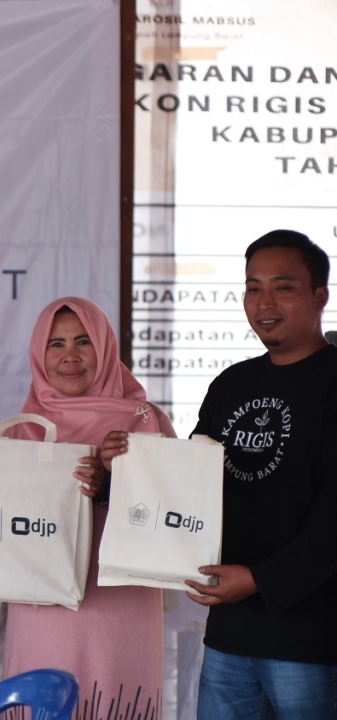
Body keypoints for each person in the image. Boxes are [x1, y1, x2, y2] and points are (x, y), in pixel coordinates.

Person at [0, 296, 176, 719]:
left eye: (83, 341)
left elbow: (172, 514)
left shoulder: (143, 419)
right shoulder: (22, 430)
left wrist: (111, 482)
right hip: (42, 607)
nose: (70, 356)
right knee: (42, 697)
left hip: (121, 606)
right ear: (38, 354)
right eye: (56, 344)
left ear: (105, 347)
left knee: (114, 699)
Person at [184, 230, 337, 718]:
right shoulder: (231, 383)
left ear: (320, 296)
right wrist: (114, 475)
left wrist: (259, 580)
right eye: (253, 287)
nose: (264, 302)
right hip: (229, 634)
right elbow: (187, 481)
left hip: (311, 641)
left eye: (282, 287)